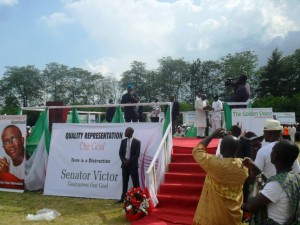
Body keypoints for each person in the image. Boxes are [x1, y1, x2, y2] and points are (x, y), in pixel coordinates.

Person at [192, 128, 248, 225]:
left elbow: (197, 151)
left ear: (221, 149)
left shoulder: (215, 164)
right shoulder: (244, 167)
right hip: (234, 218)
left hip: (213, 218)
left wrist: (212, 135)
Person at [242, 140, 300, 225]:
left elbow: (251, 206)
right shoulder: (295, 177)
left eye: (272, 151)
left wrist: (243, 206)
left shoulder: (276, 185)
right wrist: (255, 169)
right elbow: (271, 185)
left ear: (275, 156)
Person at [118, 127, 141, 203]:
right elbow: (120, 153)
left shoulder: (137, 142)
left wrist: (129, 161)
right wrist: (123, 161)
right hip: (124, 165)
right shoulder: (123, 141)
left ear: (131, 133)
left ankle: (138, 198)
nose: (125, 132)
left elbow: (136, 155)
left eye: (126, 131)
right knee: (125, 182)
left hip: (133, 166)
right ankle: (123, 198)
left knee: (136, 183)